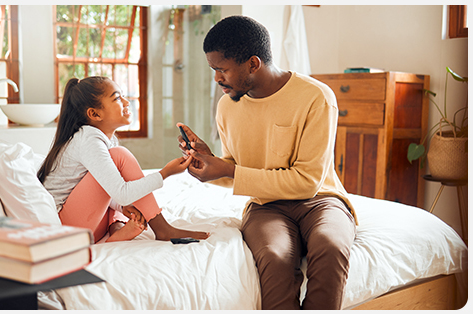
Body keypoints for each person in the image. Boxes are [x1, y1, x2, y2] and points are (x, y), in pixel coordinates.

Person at [177, 15, 357, 310]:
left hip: (320, 200)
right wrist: (211, 164)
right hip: (266, 206)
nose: (216, 79)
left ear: (253, 63)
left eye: (222, 70)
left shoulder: (316, 97)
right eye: (213, 70)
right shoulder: (227, 106)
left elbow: (307, 181)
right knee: (275, 256)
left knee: (331, 245)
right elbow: (237, 167)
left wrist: (229, 169)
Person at [38, 76, 209, 243]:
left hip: (88, 226)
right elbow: (122, 193)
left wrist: (121, 208)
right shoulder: (89, 140)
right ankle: (162, 229)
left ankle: (116, 230)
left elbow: (107, 190)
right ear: (94, 114)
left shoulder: (106, 139)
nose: (127, 102)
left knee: (120, 183)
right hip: (68, 230)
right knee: (119, 157)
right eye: (118, 98)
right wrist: (165, 173)